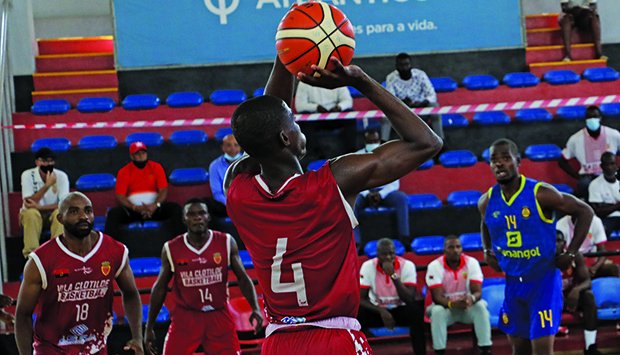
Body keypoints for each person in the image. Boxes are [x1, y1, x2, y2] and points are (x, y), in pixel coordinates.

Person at [224, 54, 442, 354]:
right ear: (287, 137)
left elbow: (262, 127)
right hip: (333, 337)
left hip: (277, 343)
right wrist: (360, 81)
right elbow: (427, 142)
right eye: (295, 123)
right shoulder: (333, 182)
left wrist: (287, 57)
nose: (300, 128)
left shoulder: (236, 189)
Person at [479, 138, 594, 355]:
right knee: (519, 349)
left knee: (541, 350)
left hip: (543, 282)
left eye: (505, 158)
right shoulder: (487, 201)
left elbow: (585, 211)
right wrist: (487, 250)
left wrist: (570, 252)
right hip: (513, 282)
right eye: (494, 160)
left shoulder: (540, 193)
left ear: (518, 161)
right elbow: (484, 223)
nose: (499, 164)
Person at [14, 192, 144, 354]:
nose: (83, 216)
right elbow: (23, 314)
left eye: (88, 210)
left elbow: (131, 293)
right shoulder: (40, 260)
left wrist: (137, 337)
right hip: (52, 348)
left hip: (95, 347)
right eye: (74, 211)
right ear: (60, 218)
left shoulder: (114, 251)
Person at [145, 198, 264, 355]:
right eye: (191, 214)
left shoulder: (226, 242)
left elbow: (243, 278)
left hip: (218, 314)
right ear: (184, 219)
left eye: (201, 213)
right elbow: (159, 288)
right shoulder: (172, 248)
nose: (197, 217)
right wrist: (149, 326)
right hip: (186, 317)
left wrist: (255, 308)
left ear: (208, 217)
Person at [425, 235, 492, 355]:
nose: (455, 250)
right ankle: (439, 351)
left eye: (458, 247)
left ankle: (485, 349)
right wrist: (452, 304)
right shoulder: (434, 266)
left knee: (481, 307)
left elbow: (477, 292)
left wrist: (470, 299)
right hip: (446, 309)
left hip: (466, 307)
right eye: (451, 247)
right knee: (437, 311)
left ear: (461, 249)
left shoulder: (472, 263)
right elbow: (437, 298)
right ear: (444, 250)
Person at [358, 238, 426, 355]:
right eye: (384, 254)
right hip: (377, 310)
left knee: (417, 310)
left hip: (400, 309)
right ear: (377, 254)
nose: (389, 257)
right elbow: (360, 298)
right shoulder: (368, 266)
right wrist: (381, 311)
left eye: (391, 253)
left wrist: (393, 275)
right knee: (357, 313)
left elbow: (409, 298)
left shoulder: (407, 265)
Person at [104, 141, 184, 239]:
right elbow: (120, 196)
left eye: (143, 153)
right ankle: (110, 247)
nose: (141, 156)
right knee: (113, 214)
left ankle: (181, 242)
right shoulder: (123, 171)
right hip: (133, 210)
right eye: (137, 154)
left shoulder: (156, 167)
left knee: (175, 208)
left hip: (155, 208)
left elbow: (163, 190)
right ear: (132, 156)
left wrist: (155, 205)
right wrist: (135, 207)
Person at [354, 128, 410, 245]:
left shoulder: (389, 156)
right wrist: (367, 193)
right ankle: (356, 242)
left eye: (375, 141)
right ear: (364, 141)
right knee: (351, 203)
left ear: (380, 140)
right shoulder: (356, 156)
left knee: (401, 198)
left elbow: (395, 182)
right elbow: (354, 181)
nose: (373, 144)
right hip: (364, 193)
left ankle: (404, 238)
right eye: (370, 142)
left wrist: (381, 194)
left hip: (384, 192)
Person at [559, 105, 620, 199]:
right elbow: (562, 160)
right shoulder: (575, 139)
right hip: (588, 177)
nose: (592, 120)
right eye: (589, 117)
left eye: (595, 117)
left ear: (600, 118)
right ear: (585, 119)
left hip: (610, 173)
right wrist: (577, 176)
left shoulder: (614, 134)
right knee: (584, 183)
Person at [556, 231, 602, 355]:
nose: (555, 244)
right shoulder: (543, 259)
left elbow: (587, 281)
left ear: (564, 243)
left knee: (588, 297)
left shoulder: (575, 256)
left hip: (571, 297)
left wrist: (576, 290)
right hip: (551, 299)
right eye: (552, 241)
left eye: (558, 241)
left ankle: (590, 347)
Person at [19, 147, 69, 258]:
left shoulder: (61, 176)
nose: (48, 164)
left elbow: (64, 205)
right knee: (31, 213)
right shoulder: (27, 175)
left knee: (59, 214)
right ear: (37, 162)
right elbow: (28, 203)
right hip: (33, 216)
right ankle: (32, 256)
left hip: (51, 213)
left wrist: (39, 207)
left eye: (51, 161)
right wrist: (47, 185)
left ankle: (58, 254)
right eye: (45, 161)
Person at [384, 52, 443, 141]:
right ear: (396, 66)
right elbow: (390, 99)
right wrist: (402, 102)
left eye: (406, 64)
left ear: (411, 65)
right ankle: (383, 142)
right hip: (402, 112)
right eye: (401, 65)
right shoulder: (391, 78)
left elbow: (432, 95)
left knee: (434, 106)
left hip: (422, 110)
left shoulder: (420, 75)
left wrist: (423, 102)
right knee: (386, 112)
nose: (404, 68)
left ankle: (440, 140)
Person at [556, 214, 619, 278]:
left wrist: (594, 268)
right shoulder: (561, 224)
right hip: (572, 261)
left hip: (592, 260)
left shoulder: (595, 221)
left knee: (614, 269)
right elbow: (560, 252)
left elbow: (602, 251)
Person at [207, 134, 243, 219]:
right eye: (228, 145)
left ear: (240, 147)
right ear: (223, 147)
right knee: (208, 204)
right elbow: (217, 193)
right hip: (226, 205)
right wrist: (231, 205)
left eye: (236, 145)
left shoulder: (249, 162)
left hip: (246, 203)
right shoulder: (215, 165)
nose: (233, 148)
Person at [588, 152, 620, 236]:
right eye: (606, 165)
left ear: (617, 165)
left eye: (612, 164)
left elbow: (602, 209)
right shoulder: (594, 184)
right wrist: (617, 206)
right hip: (607, 219)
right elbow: (598, 211)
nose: (609, 168)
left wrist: (608, 206)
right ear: (601, 166)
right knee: (600, 229)